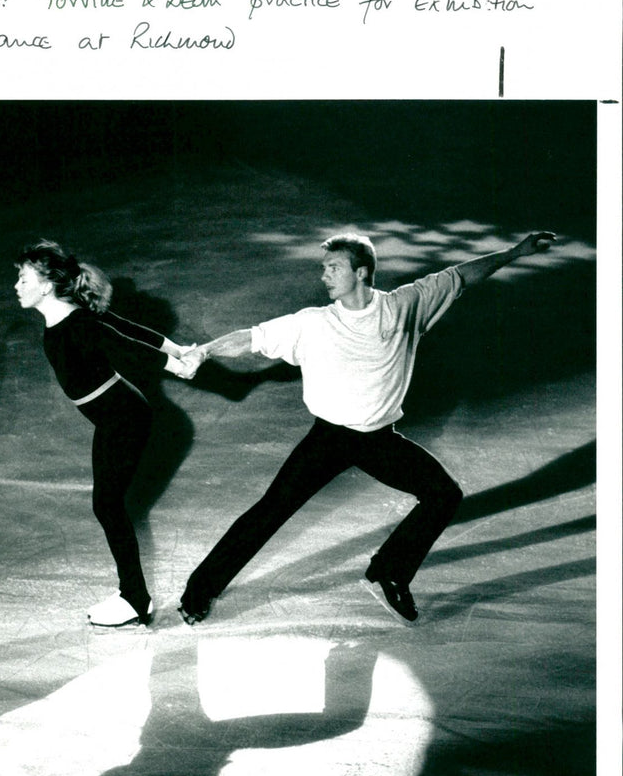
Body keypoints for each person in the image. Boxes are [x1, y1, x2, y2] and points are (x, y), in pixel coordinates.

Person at [177, 230, 557, 626]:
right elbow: (252, 338)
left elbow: (461, 275)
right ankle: (198, 592)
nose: (324, 276)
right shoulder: (313, 323)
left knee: (444, 494)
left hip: (379, 440)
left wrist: (515, 252)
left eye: (334, 268)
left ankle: (390, 569)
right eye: (324, 268)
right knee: (269, 512)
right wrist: (205, 350)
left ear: (361, 273)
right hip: (328, 439)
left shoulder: (405, 306)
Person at [15, 240, 195, 628]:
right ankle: (132, 594)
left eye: (24, 277)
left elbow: (124, 344)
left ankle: (134, 599)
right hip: (114, 417)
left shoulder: (75, 324)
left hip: (124, 418)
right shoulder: (73, 319)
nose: (17, 284)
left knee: (108, 506)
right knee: (107, 505)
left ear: (46, 285)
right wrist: (177, 349)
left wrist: (177, 364)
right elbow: (123, 325)